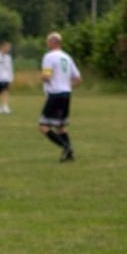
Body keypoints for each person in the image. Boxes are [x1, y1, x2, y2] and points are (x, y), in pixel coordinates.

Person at [39, 31, 82, 161]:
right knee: (60, 126)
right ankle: (69, 154)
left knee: (44, 126)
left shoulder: (49, 56)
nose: (46, 44)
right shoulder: (67, 57)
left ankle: (66, 147)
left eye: (47, 41)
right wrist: (67, 86)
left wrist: (43, 78)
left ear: (52, 42)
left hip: (55, 94)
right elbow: (78, 78)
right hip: (66, 94)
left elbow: (47, 76)